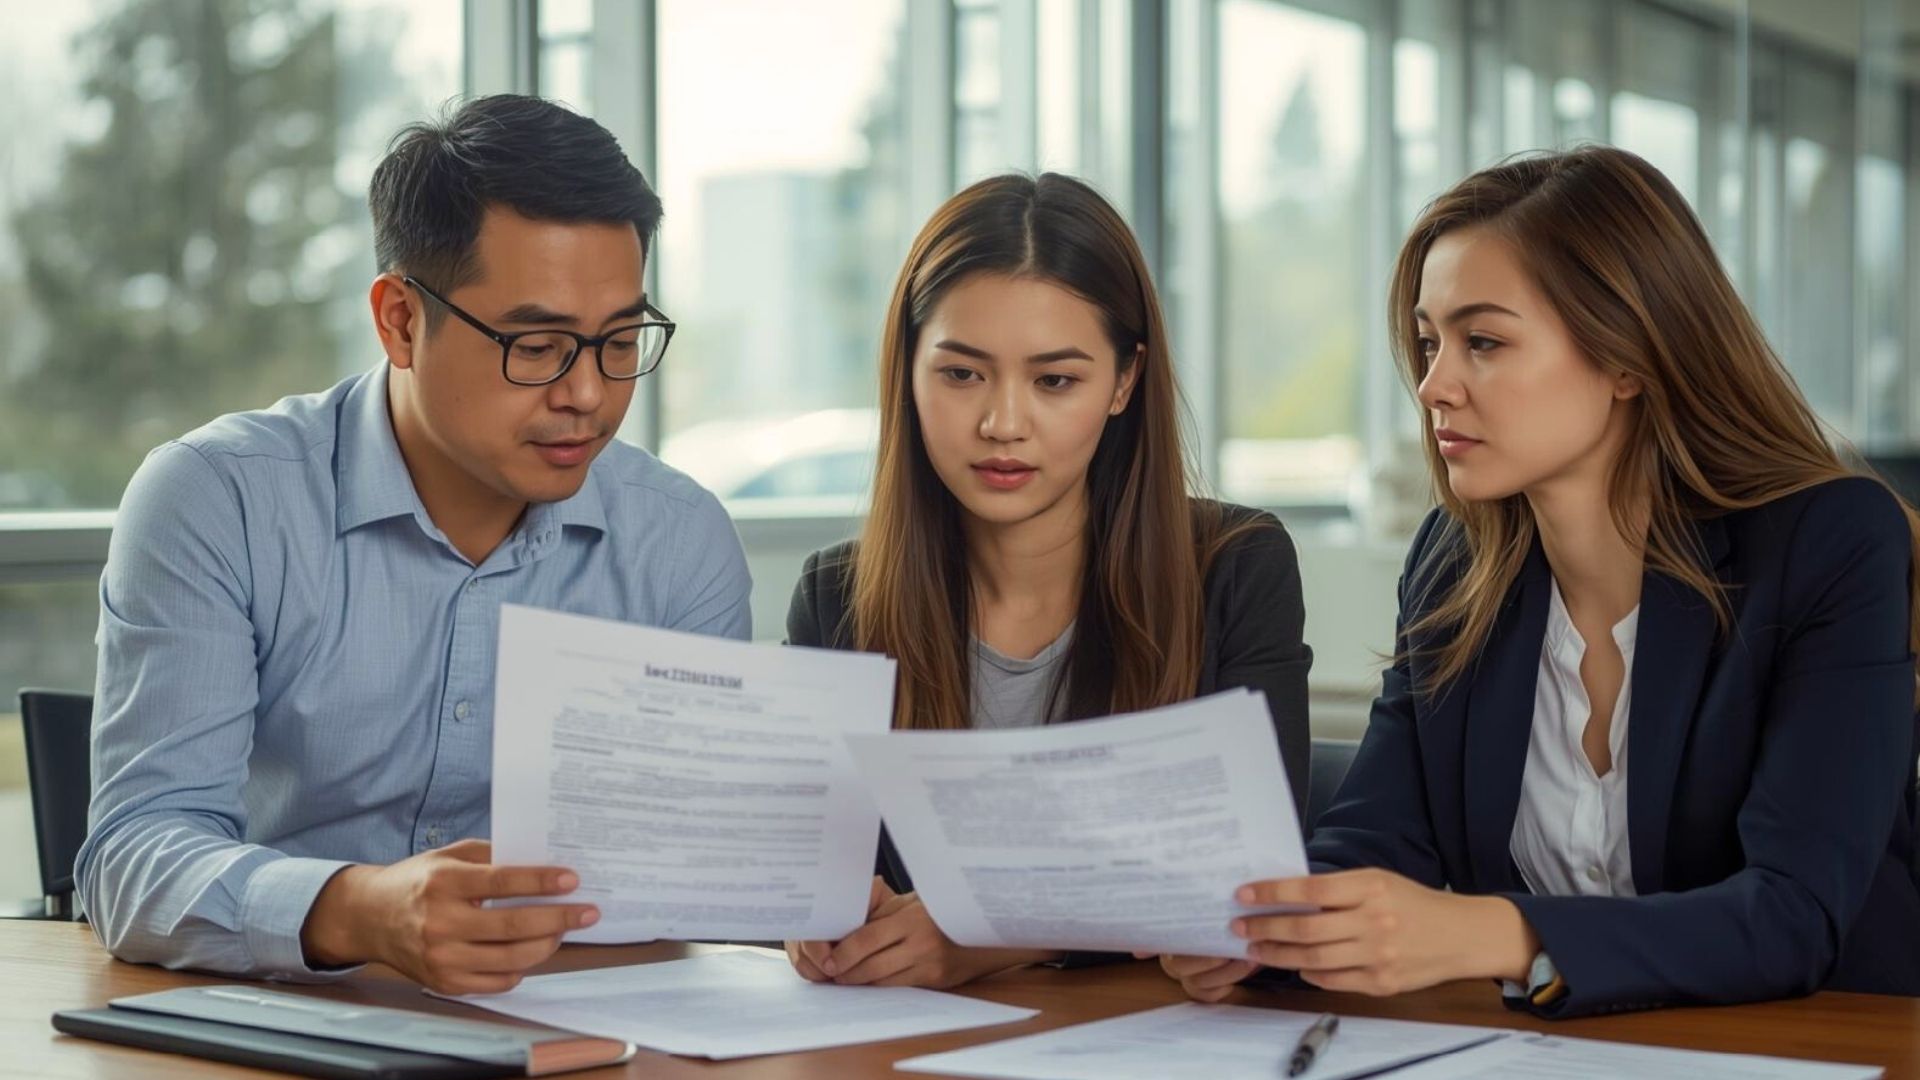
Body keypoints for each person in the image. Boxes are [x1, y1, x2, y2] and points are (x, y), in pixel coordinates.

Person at [1157, 146, 1920, 1017]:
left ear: (1629, 357)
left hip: (1830, 1045)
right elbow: (1373, 843)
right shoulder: (1455, 563)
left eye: (1483, 342)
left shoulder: (1828, 542)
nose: (1434, 386)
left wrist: (1496, 933)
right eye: (1429, 343)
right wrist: (1259, 933)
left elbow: (1792, 915)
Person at [76, 94, 752, 994]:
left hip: (586, 1025)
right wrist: (359, 910)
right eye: (538, 345)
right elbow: (133, 858)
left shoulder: (679, 540)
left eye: (621, 340)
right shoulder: (217, 500)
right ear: (399, 319)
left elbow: (701, 867)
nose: (588, 394)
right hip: (283, 1023)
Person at [783, 172, 1313, 989]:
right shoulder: (835, 599)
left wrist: (989, 933)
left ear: (1124, 382)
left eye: (1054, 381)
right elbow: (814, 869)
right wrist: (817, 922)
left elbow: (1251, 885)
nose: (1002, 423)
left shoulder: (1234, 568)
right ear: (908, 373)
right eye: (961, 374)